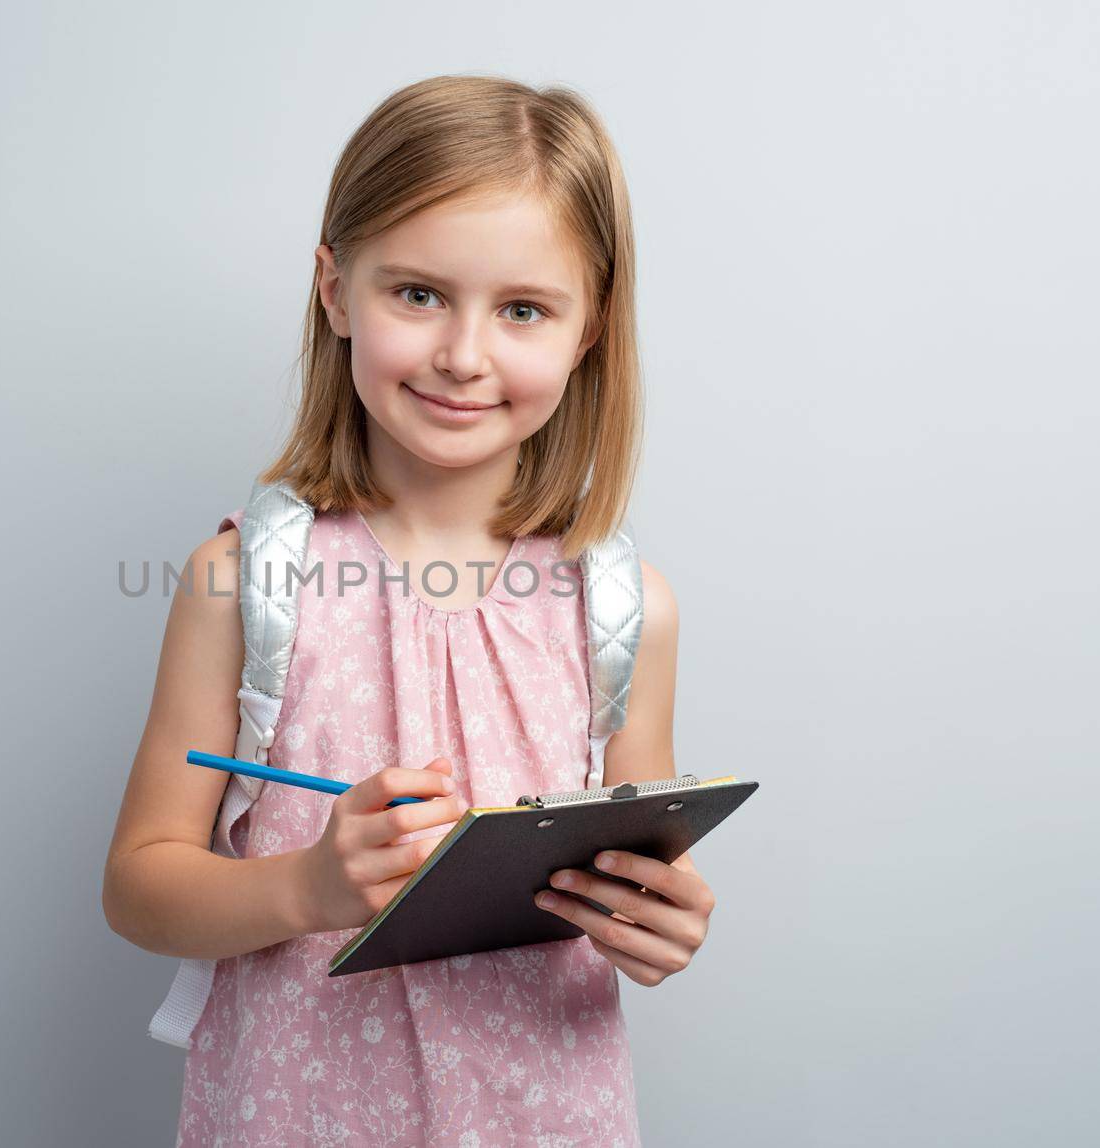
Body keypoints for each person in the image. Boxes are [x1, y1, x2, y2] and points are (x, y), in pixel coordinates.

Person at [102, 73, 717, 1147]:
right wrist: (305, 884)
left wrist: (657, 923)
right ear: (336, 291)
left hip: (544, 1117)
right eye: (418, 294)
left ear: (588, 330)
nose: (462, 355)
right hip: (298, 1115)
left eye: (521, 308)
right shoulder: (241, 584)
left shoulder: (621, 608)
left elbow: (638, 869)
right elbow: (139, 886)